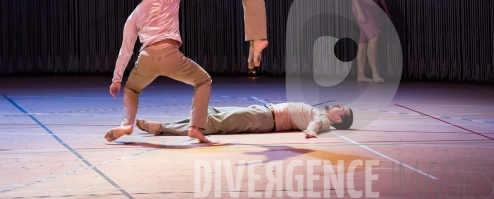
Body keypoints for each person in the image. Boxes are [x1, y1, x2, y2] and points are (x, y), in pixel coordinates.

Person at [105, 0, 212, 143]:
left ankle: (127, 124)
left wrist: (116, 79)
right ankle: (196, 128)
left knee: (132, 89)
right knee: (203, 81)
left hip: (146, 58)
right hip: (171, 55)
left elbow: (125, 50)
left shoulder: (135, 14)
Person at [136, 103, 353, 140]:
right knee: (211, 114)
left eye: (340, 109)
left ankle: (162, 127)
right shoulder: (323, 114)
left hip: (265, 119)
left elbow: (315, 124)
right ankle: (165, 127)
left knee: (213, 123)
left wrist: (312, 131)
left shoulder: (323, 119)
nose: (336, 106)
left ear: (337, 118)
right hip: (263, 113)